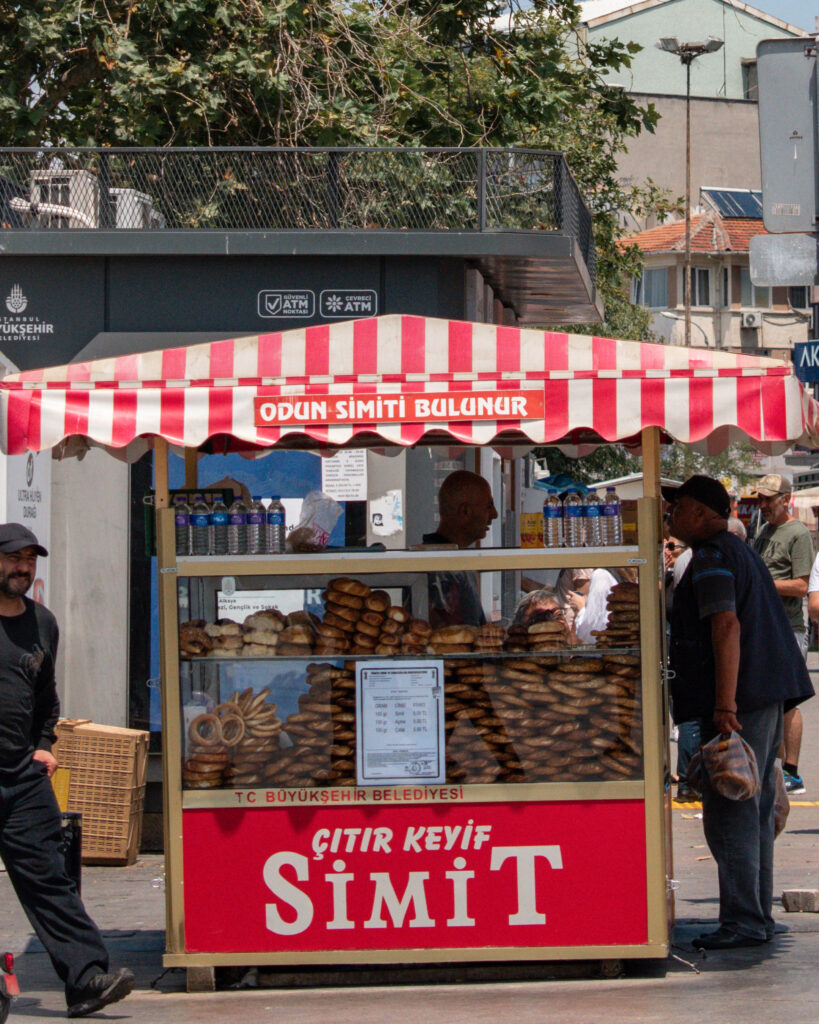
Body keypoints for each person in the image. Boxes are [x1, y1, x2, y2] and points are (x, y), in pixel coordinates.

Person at [665, 476, 813, 950]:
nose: (670, 516)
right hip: (765, 692)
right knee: (755, 807)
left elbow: (726, 627)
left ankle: (745, 922)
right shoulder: (738, 550)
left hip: (742, 700)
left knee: (733, 810)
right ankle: (756, 918)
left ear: (701, 512)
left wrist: (725, 705)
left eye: (677, 507)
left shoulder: (711, 557)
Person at [0, 523, 134, 1017]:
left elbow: (45, 696)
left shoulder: (42, 623)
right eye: (15, 558)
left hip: (22, 777)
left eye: (31, 559)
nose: (24, 567)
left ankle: (86, 981)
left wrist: (43, 743)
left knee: (50, 879)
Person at [752, 474, 813, 795]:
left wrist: (764, 584)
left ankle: (792, 771)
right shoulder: (764, 531)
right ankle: (774, 768)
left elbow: (802, 586)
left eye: (768, 499)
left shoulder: (798, 534)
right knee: (771, 699)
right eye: (760, 499)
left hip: (788, 627)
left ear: (785, 499)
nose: (762, 505)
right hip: (765, 626)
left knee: (789, 699)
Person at [423, 470, 498, 627]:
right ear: (465, 511)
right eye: (489, 506)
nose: (494, 514)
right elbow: (458, 637)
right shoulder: (439, 570)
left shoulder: (457, 562)